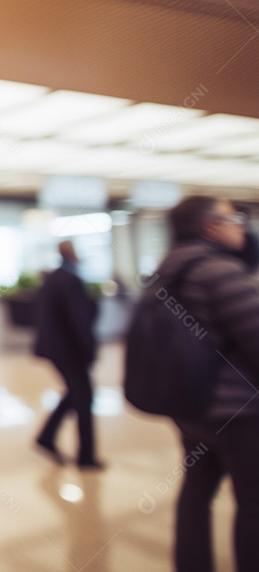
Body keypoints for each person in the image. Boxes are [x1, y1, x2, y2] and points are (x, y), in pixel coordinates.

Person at [155, 196, 259, 572]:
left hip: (190, 405)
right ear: (211, 226)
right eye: (235, 218)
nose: (241, 227)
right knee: (254, 503)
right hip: (237, 410)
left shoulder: (168, 270)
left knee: (197, 491)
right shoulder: (220, 270)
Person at [32, 240, 102, 469]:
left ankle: (46, 437)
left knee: (76, 394)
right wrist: (89, 350)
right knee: (83, 398)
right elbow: (78, 321)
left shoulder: (53, 278)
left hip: (56, 349)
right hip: (69, 350)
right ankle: (86, 457)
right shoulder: (70, 280)